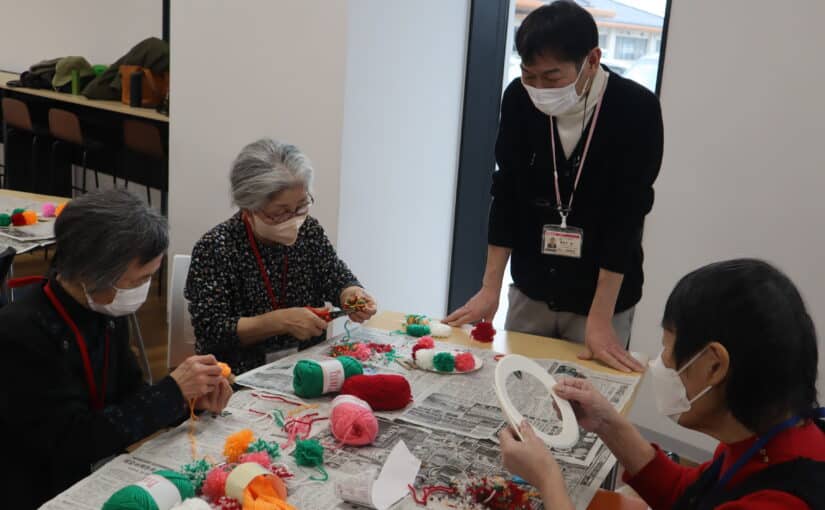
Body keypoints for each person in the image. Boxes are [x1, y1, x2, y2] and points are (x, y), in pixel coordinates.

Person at [500, 259, 825, 509]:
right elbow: (687, 496)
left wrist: (547, 478)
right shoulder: (768, 436)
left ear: (714, 365)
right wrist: (607, 422)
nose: (660, 363)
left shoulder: (778, 500)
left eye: (669, 348)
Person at [445, 0, 663, 373]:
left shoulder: (635, 108)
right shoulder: (518, 99)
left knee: (587, 404)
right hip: (532, 285)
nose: (539, 88)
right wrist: (490, 288)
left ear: (592, 60)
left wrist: (600, 318)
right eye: (529, 75)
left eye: (552, 77)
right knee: (519, 392)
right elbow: (507, 193)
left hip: (602, 293)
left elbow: (627, 217)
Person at [0, 189, 233, 508]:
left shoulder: (105, 309)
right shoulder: (21, 333)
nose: (144, 290)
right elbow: (72, 441)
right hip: (43, 487)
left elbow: (129, 396)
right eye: (140, 279)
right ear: (91, 274)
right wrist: (171, 392)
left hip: (99, 467)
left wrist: (188, 400)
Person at [186, 139, 377, 374]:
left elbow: (334, 275)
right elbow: (211, 330)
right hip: (238, 377)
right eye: (280, 212)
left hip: (308, 370)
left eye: (302, 205)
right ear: (248, 207)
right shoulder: (216, 248)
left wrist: (350, 294)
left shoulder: (308, 231)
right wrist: (279, 322)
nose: (294, 218)